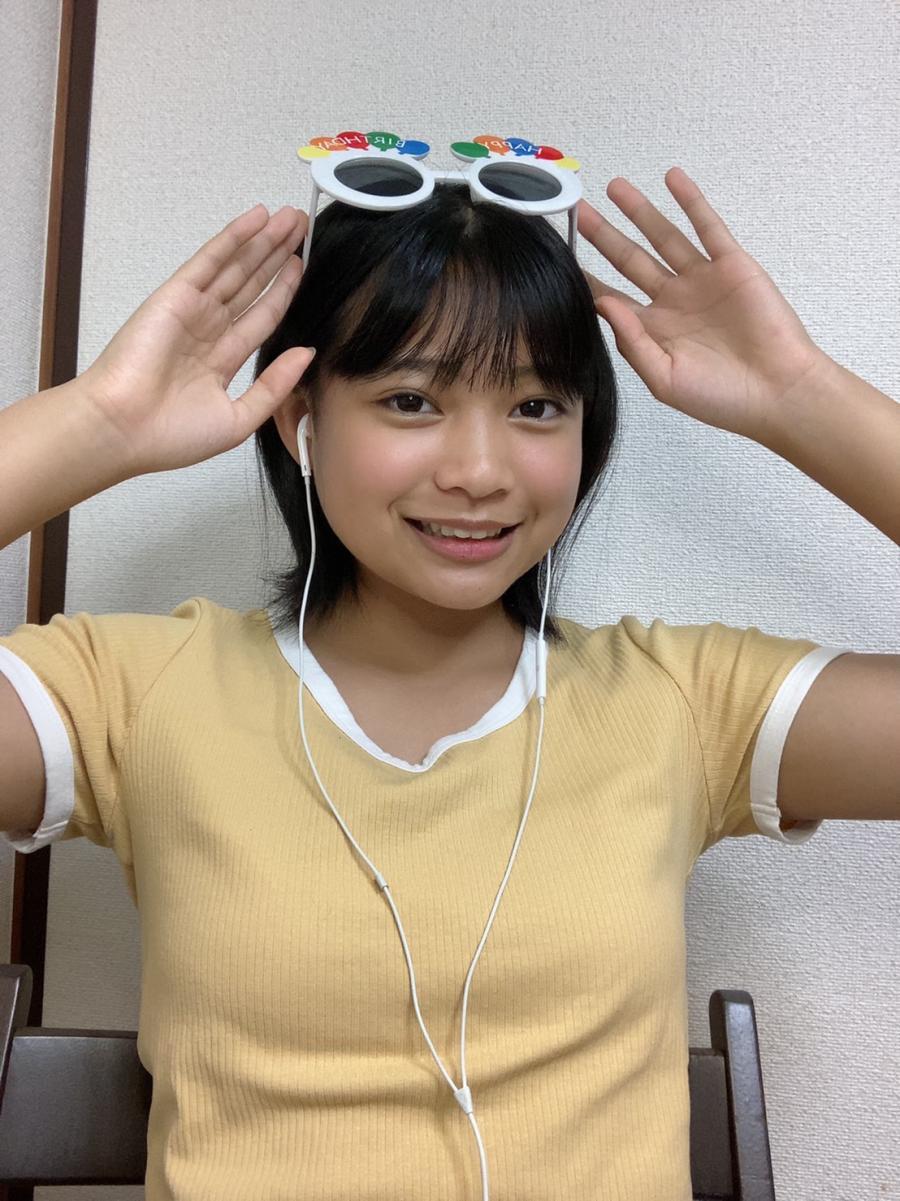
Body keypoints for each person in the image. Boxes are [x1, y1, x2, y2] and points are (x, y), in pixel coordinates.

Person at [0, 167, 897, 1201]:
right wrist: (99, 421)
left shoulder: (683, 703)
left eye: (536, 405)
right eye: (411, 400)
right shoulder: (136, 693)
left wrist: (802, 397)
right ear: (299, 421)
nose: (480, 469)